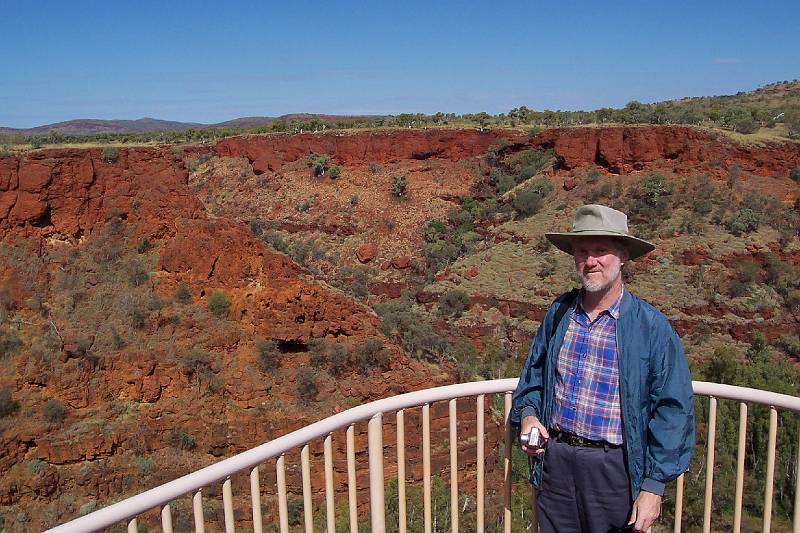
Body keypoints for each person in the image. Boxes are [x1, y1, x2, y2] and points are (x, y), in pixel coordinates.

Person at [511, 204, 695, 533]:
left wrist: (653, 486)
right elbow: (533, 379)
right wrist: (528, 415)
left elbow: (673, 409)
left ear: (623, 256)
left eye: (601, 251)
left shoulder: (650, 327)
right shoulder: (559, 314)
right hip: (557, 465)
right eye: (582, 251)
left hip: (614, 471)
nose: (590, 260)